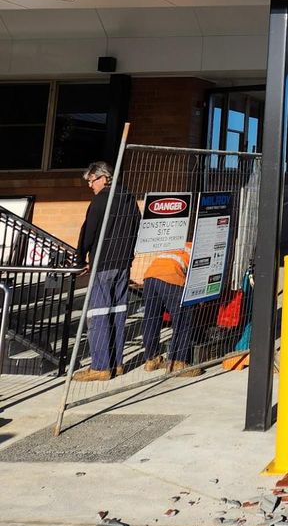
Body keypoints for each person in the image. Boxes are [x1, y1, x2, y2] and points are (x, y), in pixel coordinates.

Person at [73, 160, 140, 382]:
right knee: (118, 311)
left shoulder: (101, 200)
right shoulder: (129, 199)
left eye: (91, 180)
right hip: (123, 263)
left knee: (99, 314)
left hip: (103, 264)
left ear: (103, 178)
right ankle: (116, 363)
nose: (90, 185)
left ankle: (101, 366)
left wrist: (80, 259)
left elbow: (88, 232)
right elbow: (136, 227)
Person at [141, 240, 202, 376]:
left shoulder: (177, 243)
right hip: (172, 276)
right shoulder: (199, 247)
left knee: (151, 318)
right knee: (183, 318)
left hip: (150, 277)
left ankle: (151, 359)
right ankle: (178, 363)